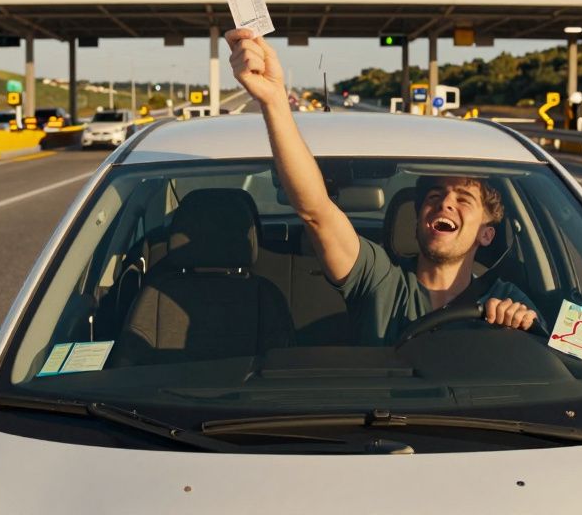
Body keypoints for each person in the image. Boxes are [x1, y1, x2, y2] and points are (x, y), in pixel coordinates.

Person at [226, 28, 540, 345]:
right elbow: (315, 211)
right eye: (435, 195)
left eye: (463, 199)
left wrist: (525, 333)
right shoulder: (381, 281)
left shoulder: (509, 299)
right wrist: (274, 100)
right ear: (417, 221)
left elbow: (581, 352)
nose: (445, 203)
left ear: (487, 233)